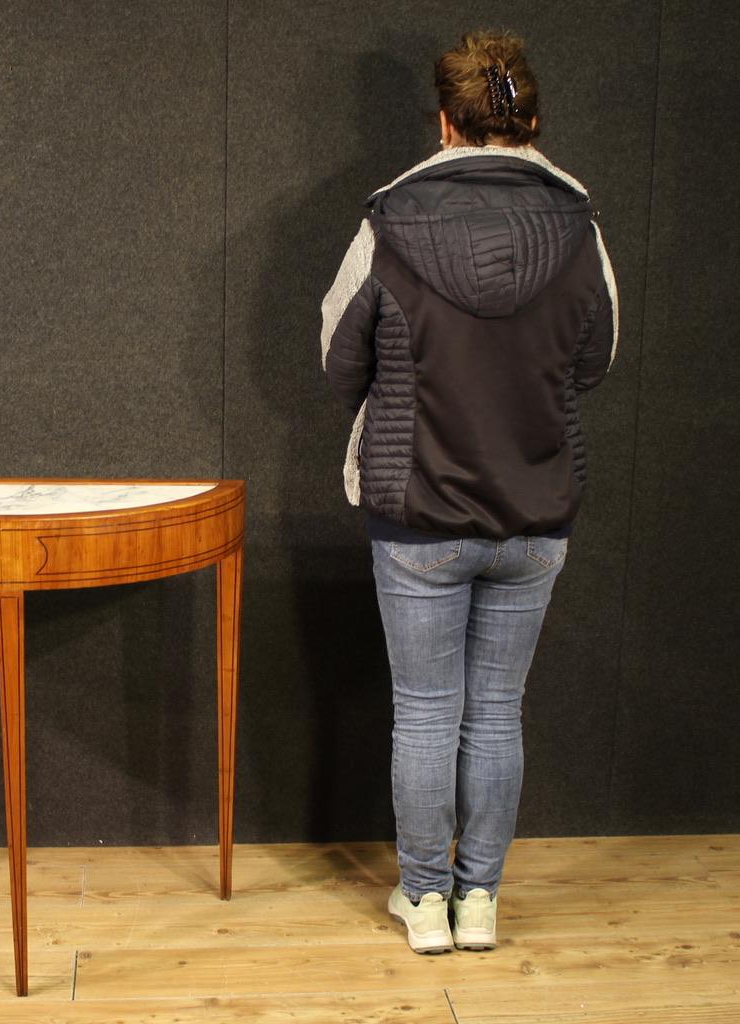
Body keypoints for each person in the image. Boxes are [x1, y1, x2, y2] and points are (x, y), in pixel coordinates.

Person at [320, 30, 618, 955]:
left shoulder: (390, 225)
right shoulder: (580, 228)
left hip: (419, 514)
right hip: (536, 511)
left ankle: (423, 903)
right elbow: (596, 360)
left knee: (426, 712)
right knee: (495, 713)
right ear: (530, 121)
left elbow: (338, 364)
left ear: (445, 122)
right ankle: (479, 900)